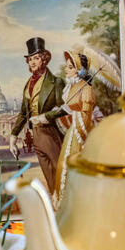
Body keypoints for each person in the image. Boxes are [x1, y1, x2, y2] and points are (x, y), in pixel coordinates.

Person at [10, 37, 65, 195]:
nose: (32, 62)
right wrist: (13, 136)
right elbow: (23, 114)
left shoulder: (57, 82)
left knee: (60, 173)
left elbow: (65, 108)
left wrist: (45, 117)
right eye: (29, 59)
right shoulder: (28, 85)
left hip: (52, 134)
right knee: (49, 176)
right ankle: (55, 206)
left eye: (36, 58)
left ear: (45, 59)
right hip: (36, 136)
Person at [53, 51, 97, 208]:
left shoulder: (86, 89)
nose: (66, 69)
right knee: (63, 164)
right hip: (72, 128)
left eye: (70, 67)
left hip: (81, 132)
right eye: (66, 66)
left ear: (79, 71)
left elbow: (86, 115)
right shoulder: (72, 87)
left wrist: (80, 135)